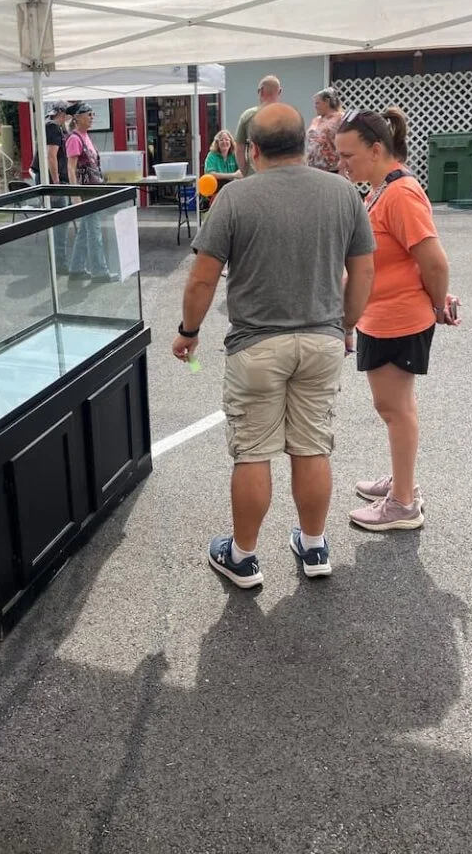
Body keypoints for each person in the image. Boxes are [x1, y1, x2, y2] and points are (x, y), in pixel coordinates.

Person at [172, 103, 375, 587]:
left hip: (256, 345)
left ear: (251, 149)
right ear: (303, 145)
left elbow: (203, 279)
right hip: (322, 340)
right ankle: (314, 546)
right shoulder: (343, 192)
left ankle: (242, 557)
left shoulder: (236, 198)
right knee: (311, 446)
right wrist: (344, 326)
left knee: (253, 452)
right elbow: (364, 269)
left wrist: (188, 331)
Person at [335, 107, 459, 532]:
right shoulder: (382, 188)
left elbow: (434, 262)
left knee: (393, 408)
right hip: (384, 315)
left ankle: (403, 502)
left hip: (397, 318)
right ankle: (402, 483)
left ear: (374, 149)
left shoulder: (401, 192)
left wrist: (439, 303)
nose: (342, 164)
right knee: (397, 406)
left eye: (348, 156)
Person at [66, 102, 116, 283]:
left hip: (93, 190)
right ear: (77, 118)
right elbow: (71, 168)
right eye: (88, 114)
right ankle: (100, 272)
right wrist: (75, 194)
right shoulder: (74, 139)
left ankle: (76, 268)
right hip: (85, 192)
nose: (92, 117)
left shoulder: (86, 136)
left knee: (85, 232)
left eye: (92, 114)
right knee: (93, 232)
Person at [31, 101, 71, 272]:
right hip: (53, 180)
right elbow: (51, 156)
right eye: (68, 114)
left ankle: (56, 261)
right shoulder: (54, 128)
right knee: (60, 222)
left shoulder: (48, 125)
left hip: (46, 177)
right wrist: (56, 183)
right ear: (62, 113)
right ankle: (59, 263)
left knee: (56, 221)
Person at [233, 75, 282, 177]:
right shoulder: (289, 116)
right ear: (280, 91)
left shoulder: (248, 116)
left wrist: (245, 172)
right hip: (282, 175)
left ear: (261, 91)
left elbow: (239, 149)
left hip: (255, 175)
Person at [306, 87, 346, 175]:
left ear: (327, 102)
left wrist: (342, 166)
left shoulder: (340, 118)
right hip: (313, 169)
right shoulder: (316, 120)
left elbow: (347, 143)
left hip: (332, 169)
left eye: (317, 103)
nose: (315, 106)